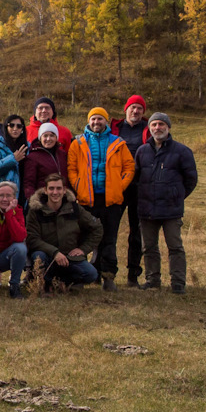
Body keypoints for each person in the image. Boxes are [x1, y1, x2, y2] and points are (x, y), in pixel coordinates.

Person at [65, 106, 135, 290]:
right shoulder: (78, 143)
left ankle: (108, 276)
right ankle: (81, 277)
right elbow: (71, 168)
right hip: (86, 200)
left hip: (110, 201)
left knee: (108, 239)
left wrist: (120, 186)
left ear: (106, 121)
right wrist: (79, 187)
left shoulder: (118, 143)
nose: (96, 122)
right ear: (88, 121)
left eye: (100, 119)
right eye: (93, 119)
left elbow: (129, 167)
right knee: (81, 238)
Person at [133, 111, 199, 293]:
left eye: (161, 124)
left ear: (168, 127)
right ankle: (152, 280)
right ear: (149, 128)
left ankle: (178, 283)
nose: (157, 128)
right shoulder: (142, 151)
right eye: (154, 125)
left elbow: (191, 179)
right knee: (149, 247)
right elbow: (136, 178)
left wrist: (176, 195)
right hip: (147, 209)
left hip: (171, 210)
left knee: (175, 247)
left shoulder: (182, 151)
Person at [24, 171, 102, 294]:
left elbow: (97, 228)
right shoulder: (36, 210)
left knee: (91, 274)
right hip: (47, 256)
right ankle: (46, 283)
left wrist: (83, 249)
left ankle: (63, 283)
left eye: (59, 188)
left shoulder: (74, 208)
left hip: (69, 258)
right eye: (51, 189)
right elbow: (32, 238)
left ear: (64, 190)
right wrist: (54, 253)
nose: (55, 192)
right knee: (38, 257)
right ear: (45, 190)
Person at [113, 95, 150, 288]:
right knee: (109, 229)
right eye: (132, 107)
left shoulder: (149, 128)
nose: (135, 111)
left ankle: (133, 275)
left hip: (141, 186)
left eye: (139, 109)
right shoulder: (115, 128)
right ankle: (101, 270)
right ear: (125, 109)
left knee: (137, 232)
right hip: (117, 185)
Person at [19, 121, 70, 199]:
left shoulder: (62, 154)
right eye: (45, 136)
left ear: (56, 138)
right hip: (43, 200)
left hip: (62, 198)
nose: (48, 139)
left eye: (52, 135)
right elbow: (29, 183)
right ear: (40, 138)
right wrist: (34, 201)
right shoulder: (33, 157)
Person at [0, 114, 28, 198]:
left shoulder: (26, 146)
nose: (15, 129)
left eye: (19, 126)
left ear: (22, 129)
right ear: (6, 127)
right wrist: (13, 159)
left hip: (20, 193)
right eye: (11, 125)